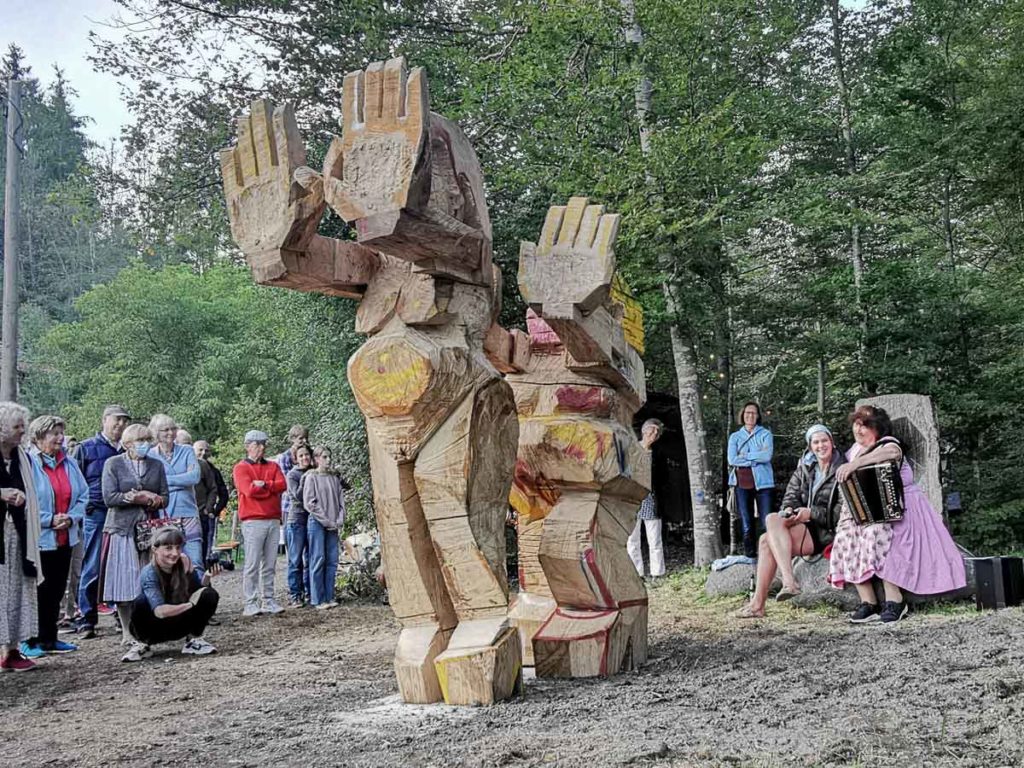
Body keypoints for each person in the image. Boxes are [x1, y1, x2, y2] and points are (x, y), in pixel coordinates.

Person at [830, 405, 966, 623]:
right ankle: (869, 602)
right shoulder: (852, 451)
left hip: (903, 506)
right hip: (867, 511)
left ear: (877, 428)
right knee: (845, 539)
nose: (859, 429)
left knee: (880, 535)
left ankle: (895, 600)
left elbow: (892, 454)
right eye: (857, 424)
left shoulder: (888, 443)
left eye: (865, 425)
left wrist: (858, 463)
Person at [737, 424, 843, 619]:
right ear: (810, 446)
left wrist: (810, 513)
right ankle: (783, 586)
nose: (821, 446)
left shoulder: (842, 469)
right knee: (772, 518)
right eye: (816, 442)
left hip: (825, 530)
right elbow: (790, 496)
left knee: (764, 541)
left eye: (824, 441)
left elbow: (841, 513)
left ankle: (762, 601)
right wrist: (789, 510)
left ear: (832, 442)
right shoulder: (806, 467)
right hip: (803, 523)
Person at [100, 423, 169, 660]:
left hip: (149, 530)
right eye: (140, 440)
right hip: (121, 528)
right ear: (128, 443)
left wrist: (153, 500)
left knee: (147, 579)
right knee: (123, 581)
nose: (145, 445)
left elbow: (165, 497)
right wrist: (135, 498)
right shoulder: (113, 464)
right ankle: (127, 630)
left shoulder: (156, 465)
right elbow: (109, 497)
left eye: (148, 440)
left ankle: (148, 629)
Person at [21, 415, 88, 658]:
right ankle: (29, 641)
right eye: (54, 434)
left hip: (65, 536)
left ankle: (50, 638)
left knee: (57, 589)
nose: (60, 438)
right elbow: (23, 501)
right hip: (38, 538)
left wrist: (71, 517)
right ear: (38, 437)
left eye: (61, 433)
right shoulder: (27, 463)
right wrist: (49, 520)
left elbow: (83, 495)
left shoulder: (69, 463)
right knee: (37, 590)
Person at [71, 404, 129, 638]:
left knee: (121, 565)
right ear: (104, 419)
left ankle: (121, 615)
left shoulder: (127, 450)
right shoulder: (86, 448)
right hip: (95, 513)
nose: (121, 424)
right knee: (92, 565)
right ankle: (87, 618)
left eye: (125, 421)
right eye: (117, 419)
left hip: (123, 513)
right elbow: (75, 482)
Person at [126, 526, 218, 661]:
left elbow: (198, 592)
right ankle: (143, 644)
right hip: (155, 628)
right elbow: (160, 612)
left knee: (209, 594)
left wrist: (208, 576)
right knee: (141, 601)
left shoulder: (184, 562)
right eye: (168, 548)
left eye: (178, 547)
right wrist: (190, 605)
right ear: (155, 550)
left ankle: (194, 639)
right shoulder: (149, 573)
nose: (175, 553)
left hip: (179, 624)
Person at [0, 402, 43, 672]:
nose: (22, 431)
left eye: (22, 426)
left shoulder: (22, 458)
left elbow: (31, 490)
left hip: (17, 533)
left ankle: (11, 649)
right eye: (16, 426)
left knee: (16, 589)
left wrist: (22, 496)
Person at [233, 430, 287, 617]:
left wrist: (264, 485)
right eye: (257, 444)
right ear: (248, 446)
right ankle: (250, 602)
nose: (262, 448)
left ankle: (269, 599)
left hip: (272, 518)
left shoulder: (273, 465)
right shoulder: (241, 468)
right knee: (252, 563)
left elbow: (282, 485)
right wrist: (269, 488)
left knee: (270, 563)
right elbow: (248, 490)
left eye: (263, 444)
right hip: (253, 519)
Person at [149, 415, 204, 578]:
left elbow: (194, 477)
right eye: (165, 429)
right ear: (156, 433)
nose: (170, 433)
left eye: (173, 428)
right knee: (167, 562)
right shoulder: (151, 455)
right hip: (163, 515)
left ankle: (199, 598)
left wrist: (165, 481)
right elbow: (151, 484)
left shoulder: (187, 450)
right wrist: (181, 479)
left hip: (188, 513)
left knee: (195, 560)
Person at [302, 446, 349, 609]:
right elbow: (310, 503)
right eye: (325, 457)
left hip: (333, 524)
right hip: (317, 523)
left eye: (329, 457)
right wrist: (327, 521)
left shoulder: (334, 478)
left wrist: (339, 519)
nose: (328, 460)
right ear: (317, 459)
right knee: (318, 558)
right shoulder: (311, 477)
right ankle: (317, 598)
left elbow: (341, 502)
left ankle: (329, 596)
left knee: (332, 560)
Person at [727, 402, 775, 558]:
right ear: (743, 414)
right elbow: (732, 459)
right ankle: (750, 556)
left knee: (766, 521)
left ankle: (770, 553)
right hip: (741, 483)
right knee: (747, 522)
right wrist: (756, 456)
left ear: (758, 416)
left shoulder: (765, 434)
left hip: (764, 483)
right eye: (748, 412)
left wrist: (746, 456)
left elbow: (767, 456)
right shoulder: (735, 436)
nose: (750, 416)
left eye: (754, 413)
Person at [627, 419, 665, 579]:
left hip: (651, 499)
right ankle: (637, 573)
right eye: (652, 430)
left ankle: (657, 572)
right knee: (632, 539)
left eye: (657, 432)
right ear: (644, 431)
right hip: (632, 498)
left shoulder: (658, 454)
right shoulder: (631, 450)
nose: (654, 434)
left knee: (654, 538)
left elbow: (664, 480)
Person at [284, 444, 314, 606]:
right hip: (297, 520)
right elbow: (297, 496)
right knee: (295, 560)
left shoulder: (315, 471)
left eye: (306, 455)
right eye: (301, 456)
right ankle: (296, 594)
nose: (304, 458)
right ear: (296, 458)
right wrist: (305, 479)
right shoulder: (293, 475)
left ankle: (311, 592)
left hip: (314, 519)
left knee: (311, 558)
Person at [193, 440, 228, 564]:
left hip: (205, 514)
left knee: (205, 549)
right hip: (187, 513)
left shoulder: (214, 471)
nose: (203, 453)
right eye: (200, 450)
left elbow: (223, 493)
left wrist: (213, 510)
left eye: (206, 450)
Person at [277, 424, 309, 554]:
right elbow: (288, 482)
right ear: (293, 439)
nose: (304, 441)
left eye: (306, 438)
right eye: (301, 438)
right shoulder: (286, 457)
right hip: (290, 504)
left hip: (308, 503)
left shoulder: (308, 454)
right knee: (293, 546)